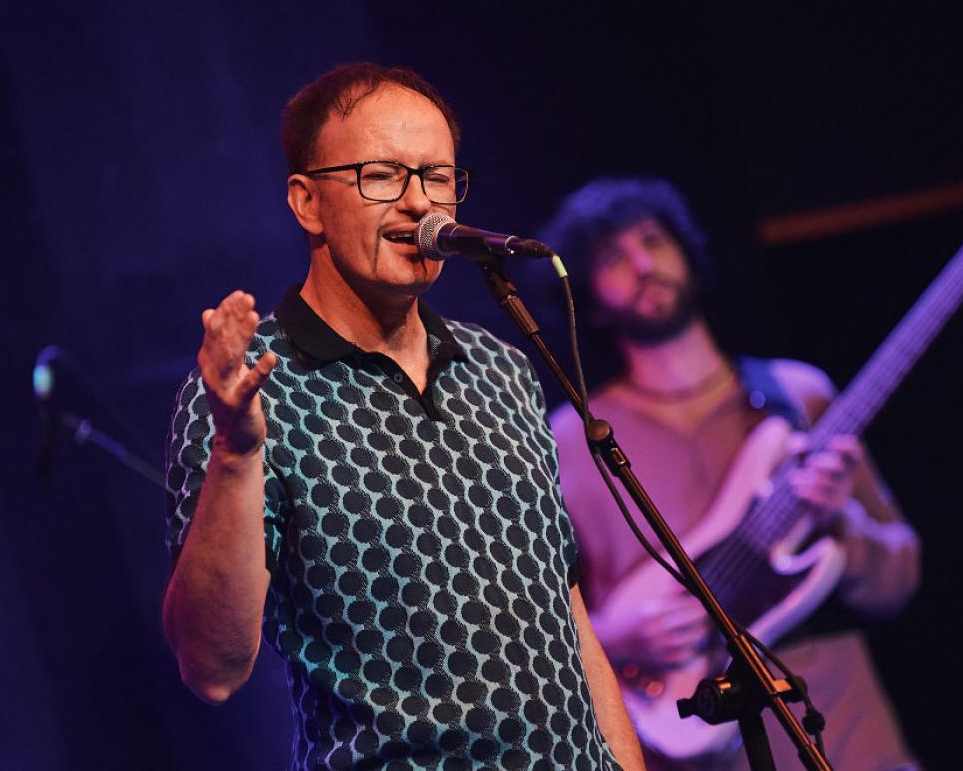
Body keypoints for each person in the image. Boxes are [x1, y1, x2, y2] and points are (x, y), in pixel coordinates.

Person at [160, 64, 645, 770]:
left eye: (437, 176)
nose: (421, 204)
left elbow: (565, 616)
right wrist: (236, 453)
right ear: (307, 203)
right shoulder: (250, 386)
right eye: (382, 175)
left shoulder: (500, 370)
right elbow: (211, 666)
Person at [542, 178, 921, 771]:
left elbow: (900, 573)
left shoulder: (798, 394)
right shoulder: (568, 440)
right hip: (705, 739)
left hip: (847, 725)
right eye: (615, 257)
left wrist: (842, 521)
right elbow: (541, 620)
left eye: (653, 240)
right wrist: (614, 636)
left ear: (688, 251)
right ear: (588, 296)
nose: (644, 264)